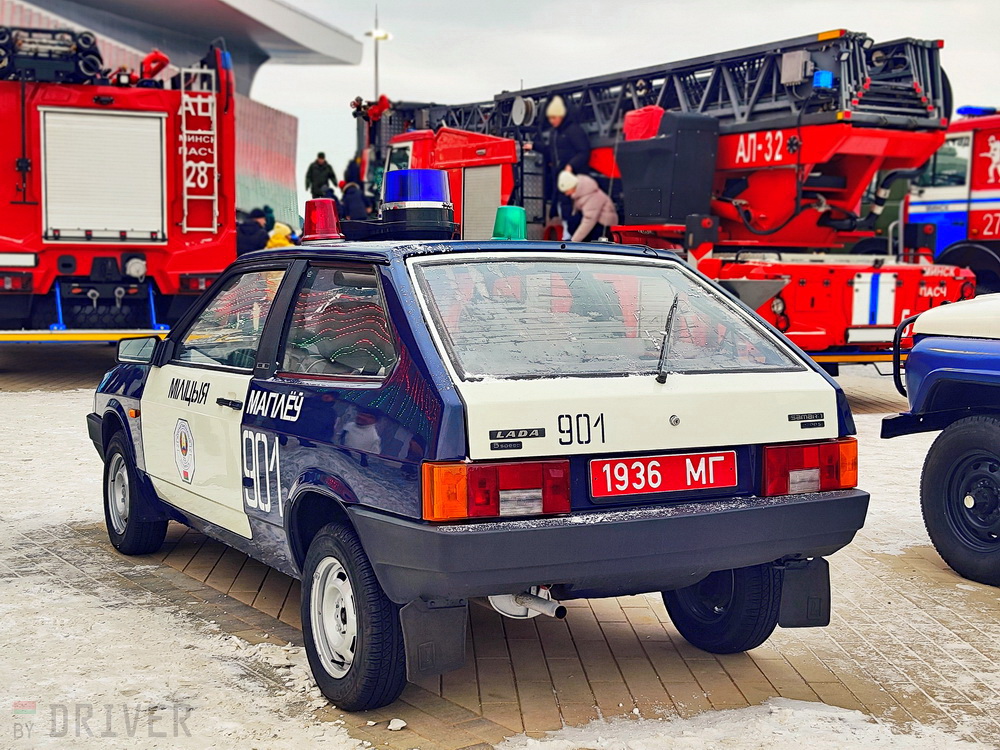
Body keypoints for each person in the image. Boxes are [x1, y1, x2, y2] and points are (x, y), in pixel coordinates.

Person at [526, 96, 592, 237]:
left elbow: (584, 151)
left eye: (554, 117)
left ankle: (572, 237)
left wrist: (571, 166)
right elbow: (550, 150)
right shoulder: (555, 133)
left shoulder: (574, 130)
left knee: (572, 209)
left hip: (574, 179)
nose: (552, 121)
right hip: (561, 179)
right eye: (550, 118)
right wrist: (534, 146)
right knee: (563, 208)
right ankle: (568, 235)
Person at [558, 171, 619, 243]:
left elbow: (589, 220)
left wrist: (574, 241)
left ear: (571, 186)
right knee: (572, 222)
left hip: (604, 226)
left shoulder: (592, 195)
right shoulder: (580, 192)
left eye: (566, 191)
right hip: (596, 222)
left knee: (574, 223)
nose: (566, 194)